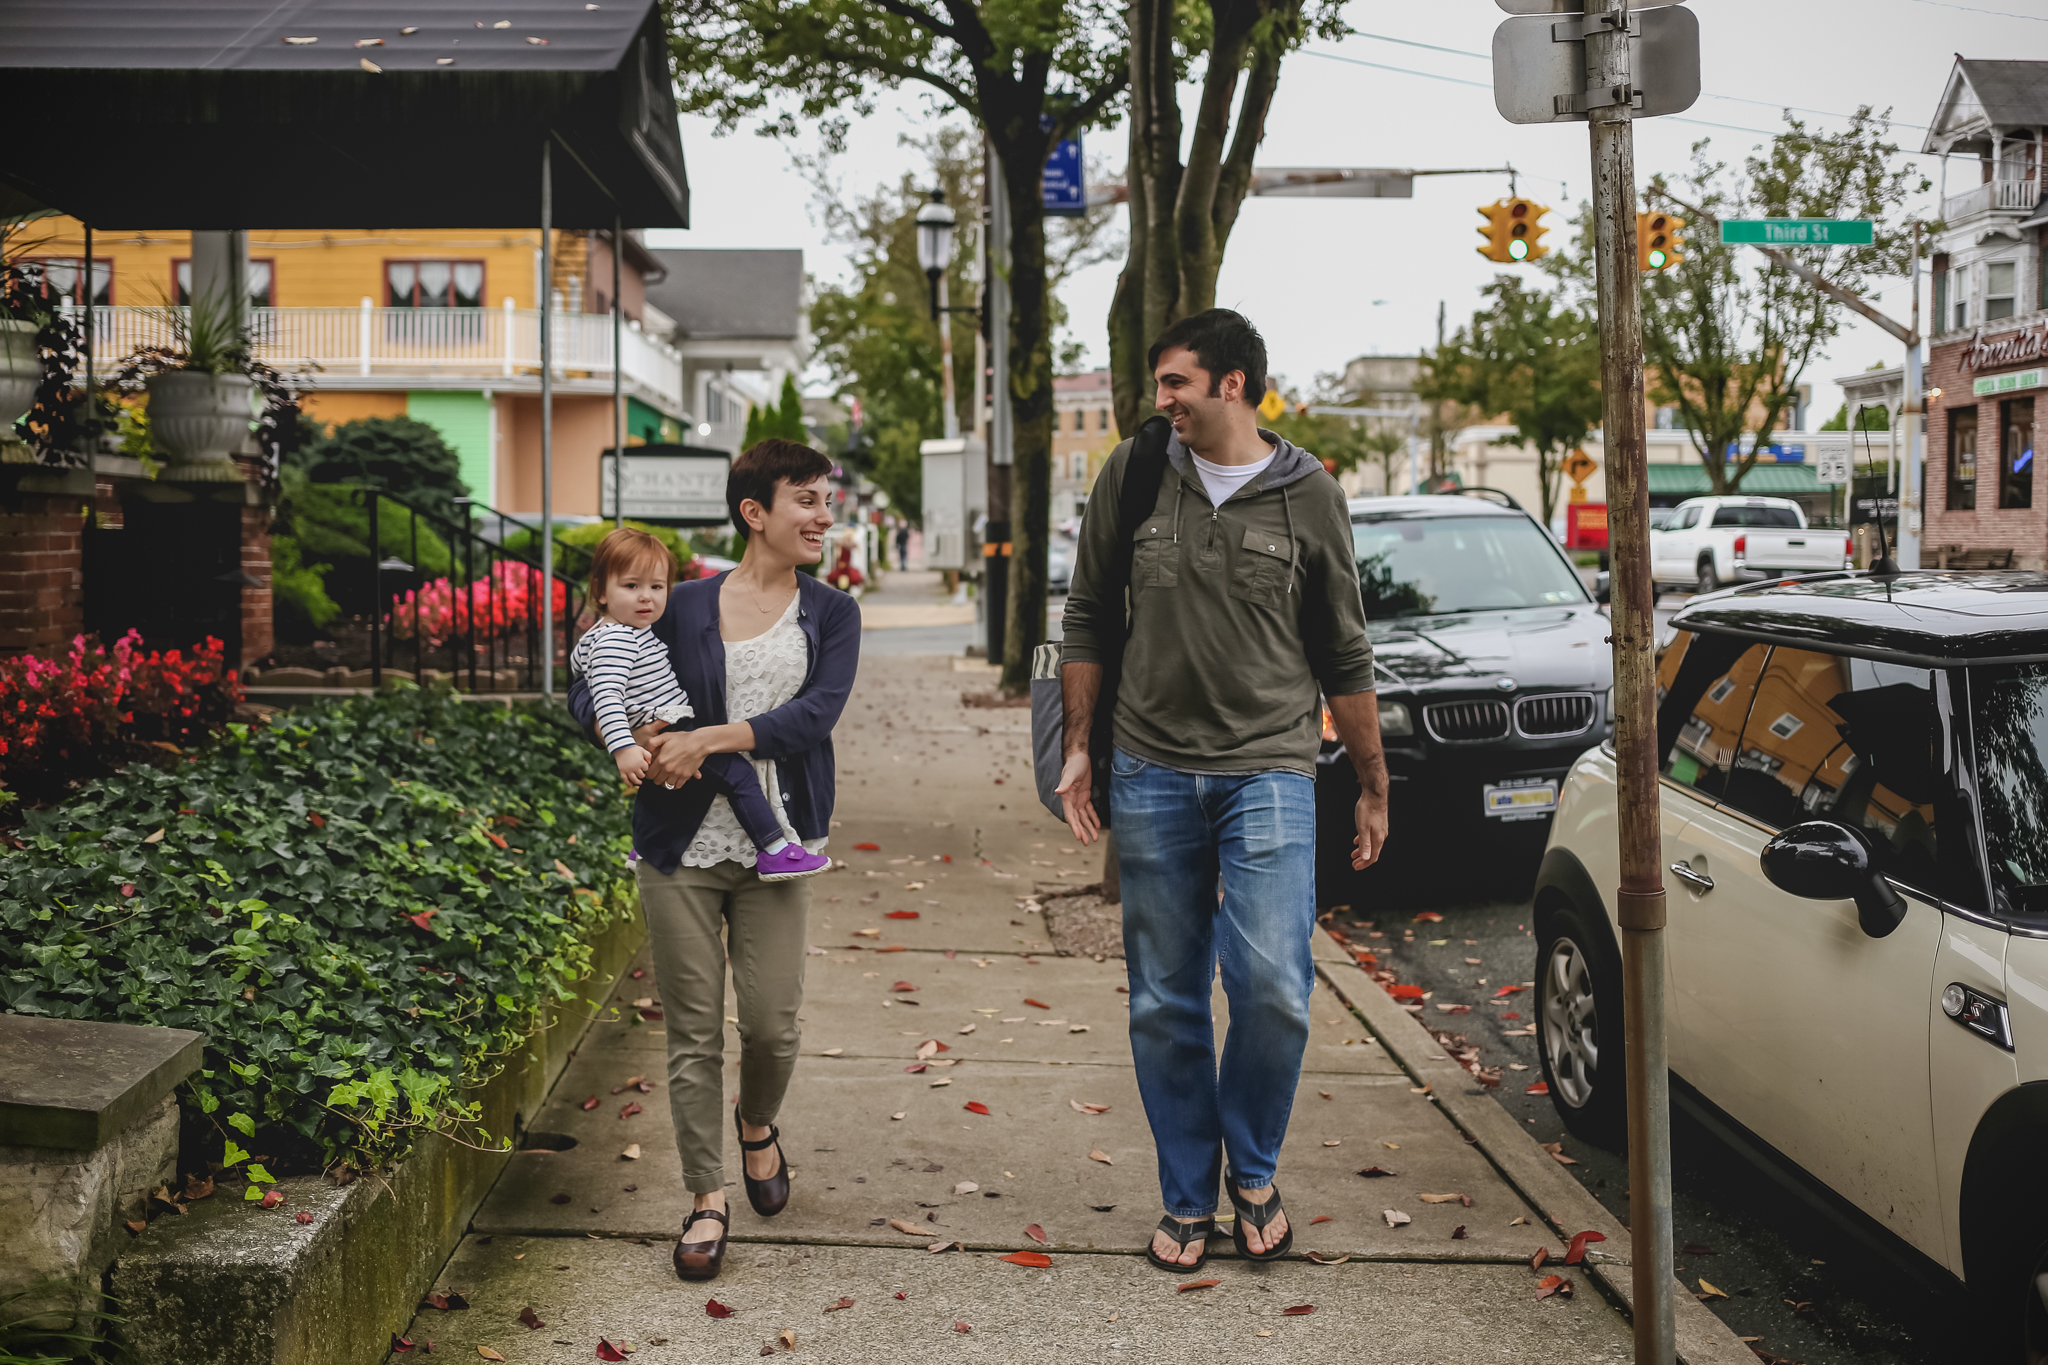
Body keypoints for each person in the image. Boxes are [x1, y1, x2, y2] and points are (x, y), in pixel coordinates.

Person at [1054, 309, 1389, 1273]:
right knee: (1166, 997)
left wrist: (1371, 783)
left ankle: (1254, 1169)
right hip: (1150, 765)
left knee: (1276, 987)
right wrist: (1080, 745)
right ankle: (1187, 1194)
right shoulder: (1135, 471)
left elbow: (1343, 647)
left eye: (1177, 385)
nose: (1161, 402)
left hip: (1270, 768)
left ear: (1233, 384)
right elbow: (1085, 615)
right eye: (1160, 386)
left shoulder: (1309, 492)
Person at [579, 438, 859, 1284]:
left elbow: (814, 715)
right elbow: (592, 673)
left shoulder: (831, 611)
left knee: (773, 1023)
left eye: (825, 499)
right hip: (677, 844)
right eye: (806, 499)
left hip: (779, 842)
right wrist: (633, 735)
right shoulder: (677, 601)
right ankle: (707, 1195)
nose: (823, 514)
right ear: (755, 512)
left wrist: (711, 736)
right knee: (693, 1033)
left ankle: (758, 1123)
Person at [571, 526, 831, 882]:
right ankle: (773, 850)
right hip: (669, 728)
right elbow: (605, 697)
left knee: (691, 782)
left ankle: (645, 844)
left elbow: (580, 670)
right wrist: (624, 746)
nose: (646, 597)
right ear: (601, 591)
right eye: (631, 586)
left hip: (668, 725)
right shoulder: (617, 641)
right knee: (739, 777)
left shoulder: (625, 631)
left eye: (657, 587)